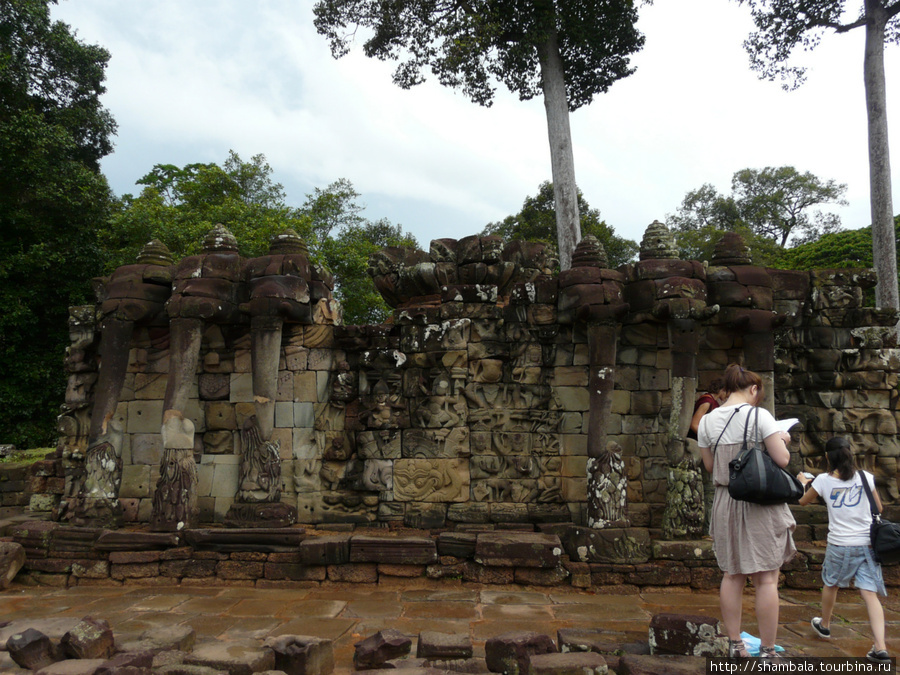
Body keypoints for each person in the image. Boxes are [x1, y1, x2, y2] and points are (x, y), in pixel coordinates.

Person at [697, 363, 796, 658]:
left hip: (726, 502)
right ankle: (767, 650)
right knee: (766, 578)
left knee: (731, 575)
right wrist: (782, 438)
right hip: (759, 505)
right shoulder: (760, 415)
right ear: (753, 389)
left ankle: (735, 645)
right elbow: (782, 460)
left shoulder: (708, 421)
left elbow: (711, 467)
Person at [797, 437, 890, 665]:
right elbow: (878, 508)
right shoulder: (866, 477)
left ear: (828, 457)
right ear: (850, 453)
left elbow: (802, 502)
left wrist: (802, 482)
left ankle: (825, 625)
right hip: (867, 544)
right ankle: (880, 647)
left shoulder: (823, 481)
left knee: (832, 583)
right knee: (870, 594)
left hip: (839, 543)